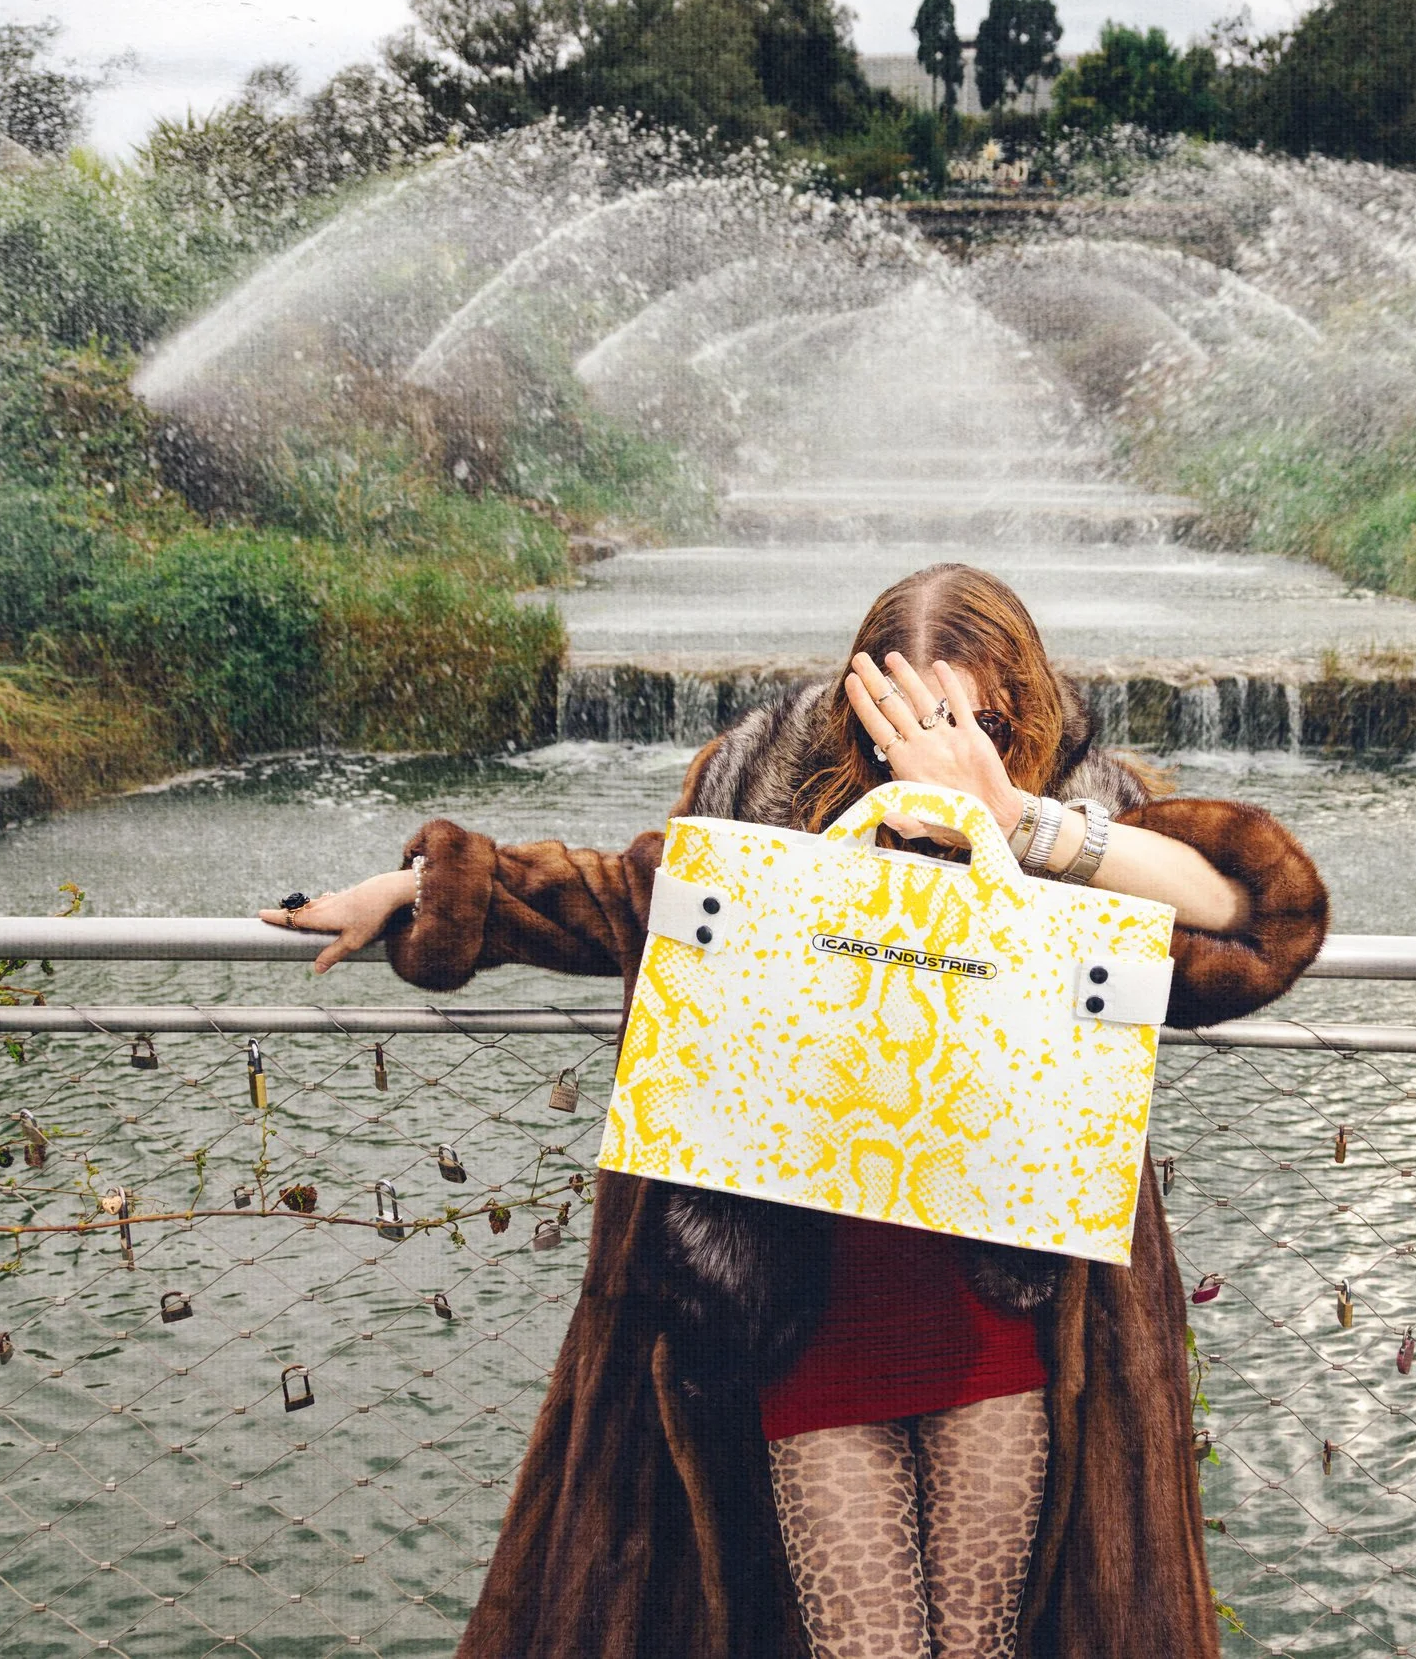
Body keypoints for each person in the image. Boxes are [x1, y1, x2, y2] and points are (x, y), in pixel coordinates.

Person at [262, 563, 1329, 1659]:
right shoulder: (760, 806)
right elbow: (609, 900)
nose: (931, 747)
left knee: (983, 1642)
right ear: (855, 704)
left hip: (1012, 1319)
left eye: (971, 719)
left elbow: (1256, 924)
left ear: (1018, 710)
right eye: (899, 722)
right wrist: (422, 891)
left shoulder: (1081, 812)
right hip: (805, 1313)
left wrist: (1015, 817)